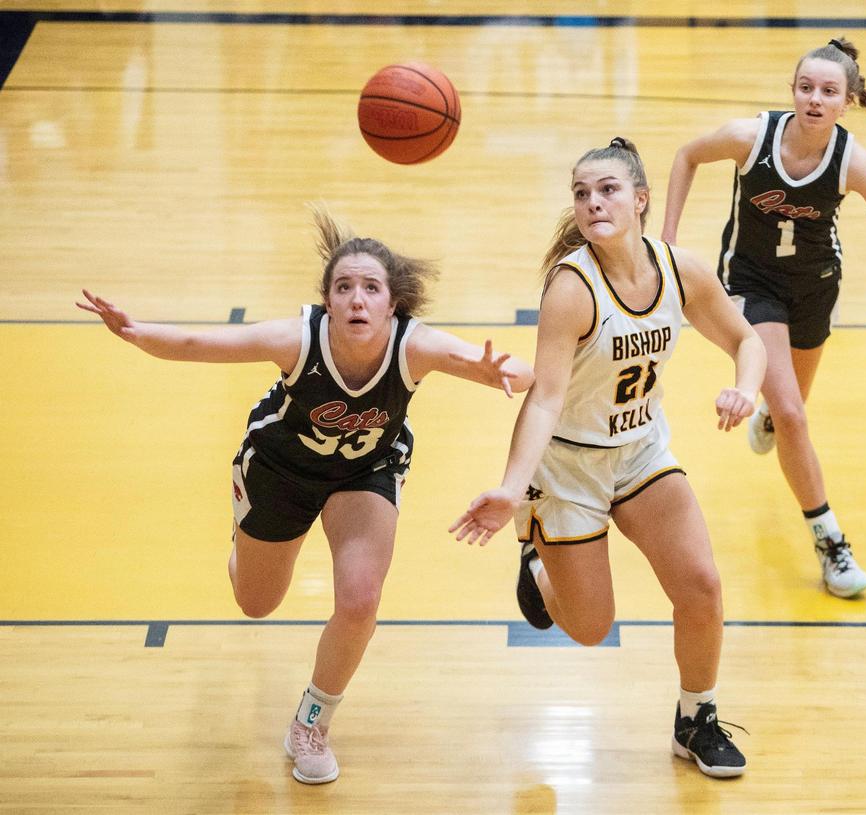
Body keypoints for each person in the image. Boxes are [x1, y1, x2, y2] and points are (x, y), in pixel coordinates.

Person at [76, 207, 534, 785]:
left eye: (372, 288)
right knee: (256, 603)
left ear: (392, 304)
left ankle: (311, 721)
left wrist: (499, 371)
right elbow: (201, 342)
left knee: (361, 599)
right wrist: (136, 331)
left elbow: (529, 373)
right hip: (280, 468)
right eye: (344, 287)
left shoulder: (416, 346)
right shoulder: (296, 337)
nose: (358, 300)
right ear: (327, 299)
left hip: (365, 470)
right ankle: (243, 538)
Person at [450, 138, 766, 778]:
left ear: (641, 200)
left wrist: (747, 388)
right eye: (581, 193)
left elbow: (747, 339)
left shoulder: (680, 271)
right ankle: (535, 558)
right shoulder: (571, 289)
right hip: (567, 466)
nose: (593, 202)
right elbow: (544, 401)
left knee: (701, 585)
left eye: (608, 190)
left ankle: (695, 718)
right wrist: (512, 488)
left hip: (641, 451)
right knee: (592, 628)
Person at [661, 37, 866, 599]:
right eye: (806, 88)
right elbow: (685, 156)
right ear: (791, 91)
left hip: (817, 289)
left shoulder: (851, 161)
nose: (815, 100)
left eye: (828, 92)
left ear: (847, 102)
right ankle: (830, 543)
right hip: (750, 285)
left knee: (790, 404)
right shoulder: (751, 138)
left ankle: (772, 416)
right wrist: (669, 247)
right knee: (795, 417)